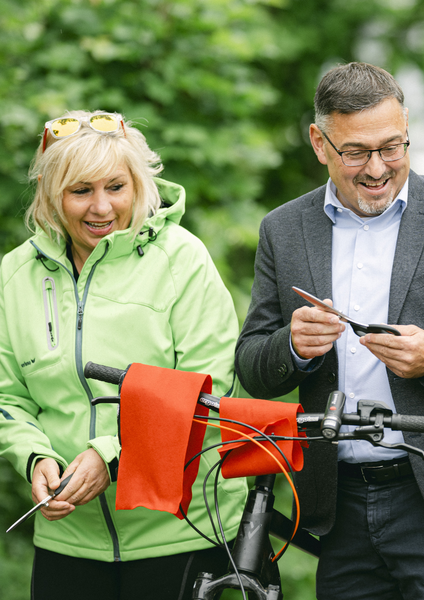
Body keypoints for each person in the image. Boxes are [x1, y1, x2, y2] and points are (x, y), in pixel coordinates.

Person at [235, 62, 424, 599]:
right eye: (356, 152)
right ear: (319, 143)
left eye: (392, 147)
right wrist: (293, 346)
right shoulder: (283, 229)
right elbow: (251, 365)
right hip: (338, 503)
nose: (377, 168)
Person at [0, 110, 248, 599]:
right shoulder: (15, 273)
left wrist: (110, 455)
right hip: (68, 542)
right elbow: (8, 396)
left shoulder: (182, 259)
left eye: (116, 186)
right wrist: (34, 459)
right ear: (51, 195)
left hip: (181, 533)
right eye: (80, 190)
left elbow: (208, 389)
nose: (101, 207)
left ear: (138, 185)